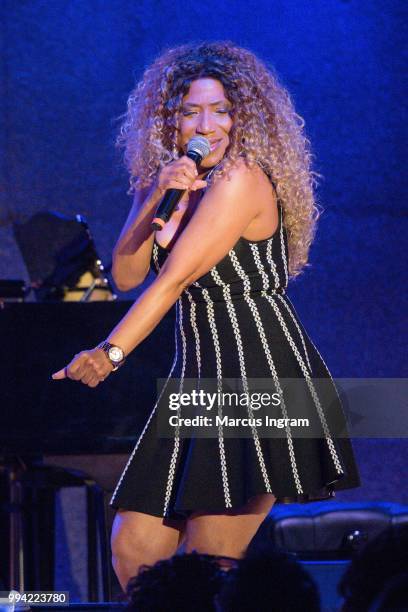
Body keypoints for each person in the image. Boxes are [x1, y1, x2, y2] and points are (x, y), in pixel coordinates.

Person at [52, 41, 360, 591]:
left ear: (245, 117)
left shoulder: (240, 179)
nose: (207, 124)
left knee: (209, 564)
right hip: (198, 378)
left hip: (258, 371)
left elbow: (172, 280)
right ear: (169, 119)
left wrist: (109, 354)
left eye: (221, 110)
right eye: (191, 111)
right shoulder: (169, 181)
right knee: (135, 546)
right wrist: (153, 200)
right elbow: (125, 275)